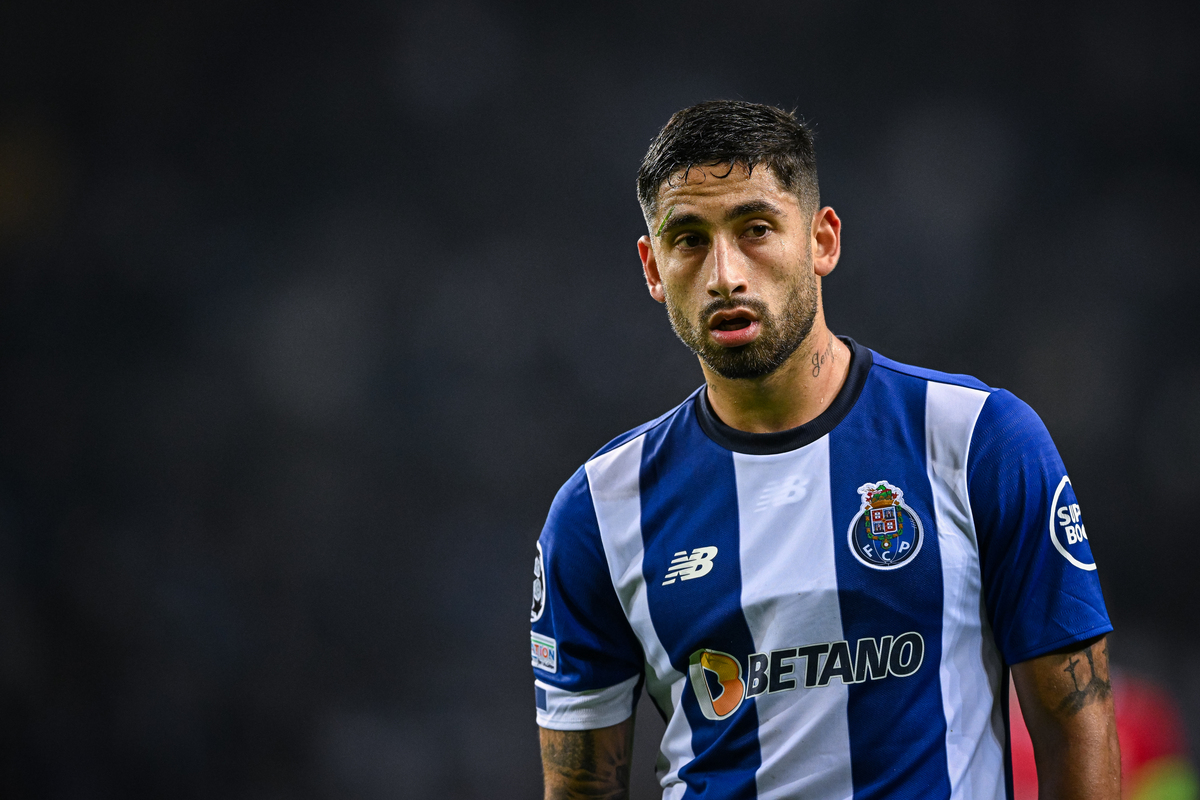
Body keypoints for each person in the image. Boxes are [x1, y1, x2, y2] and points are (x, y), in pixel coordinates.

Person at [529, 100, 1120, 799]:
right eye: (687, 239)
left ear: (822, 240)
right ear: (653, 268)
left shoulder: (977, 439)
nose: (724, 274)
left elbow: (1076, 731)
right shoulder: (597, 511)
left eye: (755, 229)